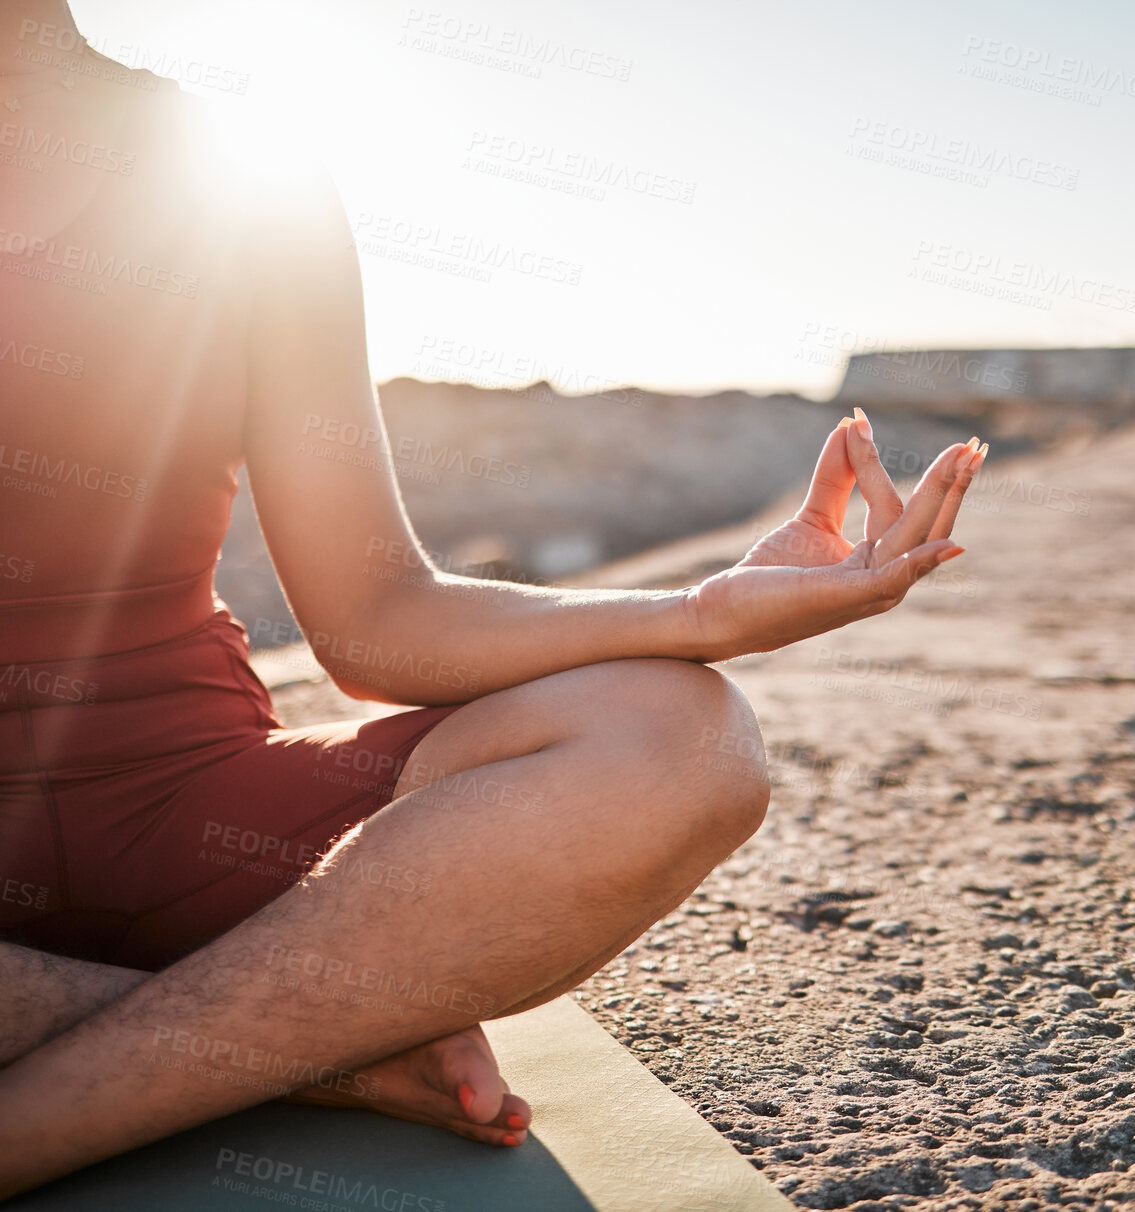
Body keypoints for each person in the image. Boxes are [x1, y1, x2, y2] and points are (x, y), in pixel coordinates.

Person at [0, 0, 985, 1196]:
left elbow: (374, 617)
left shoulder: (233, 180)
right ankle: (296, 1048)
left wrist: (697, 617)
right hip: (203, 925)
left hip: (179, 811)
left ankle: (42, 1120)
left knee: (673, 740)